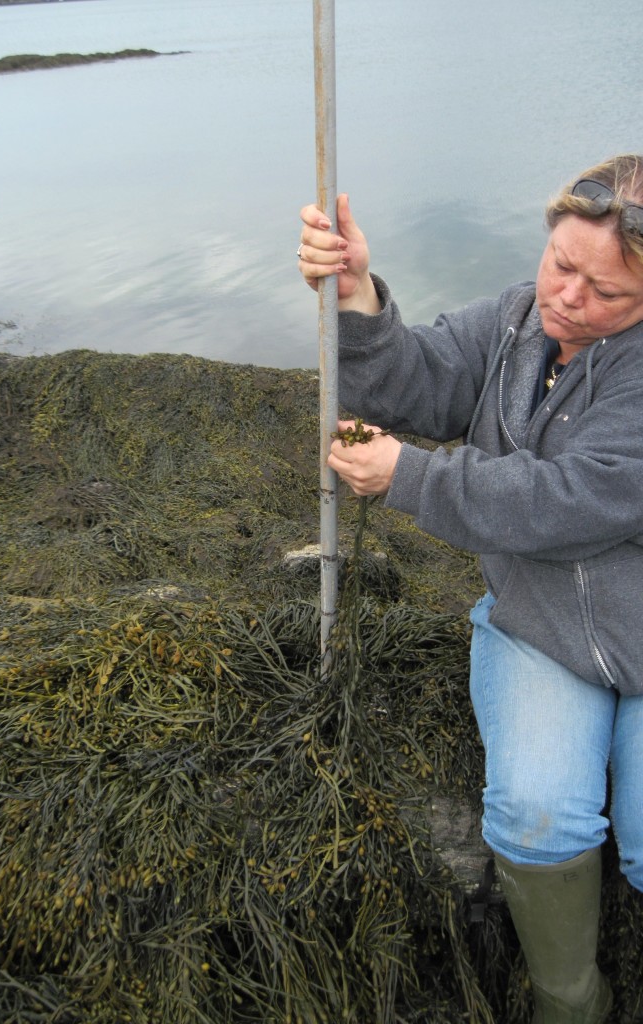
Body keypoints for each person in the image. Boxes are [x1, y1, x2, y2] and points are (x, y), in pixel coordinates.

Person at [297, 154, 643, 1024]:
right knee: (536, 815)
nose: (568, 298)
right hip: (537, 627)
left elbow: (568, 501)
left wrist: (409, 478)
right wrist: (357, 296)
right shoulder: (514, 324)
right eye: (562, 265)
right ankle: (574, 1005)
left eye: (607, 293)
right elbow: (415, 381)